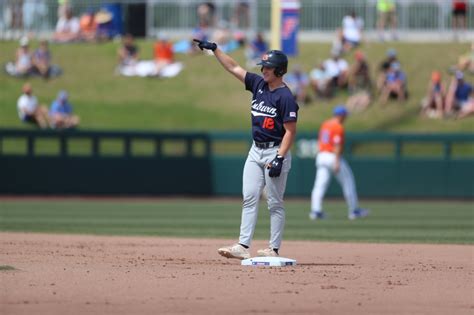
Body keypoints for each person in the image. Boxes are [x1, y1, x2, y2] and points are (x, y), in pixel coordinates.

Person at [193, 39, 299, 260]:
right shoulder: (259, 85)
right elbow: (234, 67)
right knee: (249, 197)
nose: (264, 70)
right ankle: (243, 245)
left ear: (279, 70)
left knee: (274, 202)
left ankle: (274, 248)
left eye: (268, 67)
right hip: (255, 150)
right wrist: (216, 50)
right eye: (264, 66)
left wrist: (279, 158)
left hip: (274, 151)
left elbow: (290, 132)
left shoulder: (285, 97)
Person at [309, 105, 369, 221]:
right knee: (348, 182)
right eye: (345, 115)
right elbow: (337, 144)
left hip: (321, 155)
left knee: (319, 185)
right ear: (341, 115)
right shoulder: (338, 127)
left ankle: (315, 211)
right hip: (332, 156)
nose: (346, 117)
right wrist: (336, 161)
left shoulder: (325, 124)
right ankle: (354, 210)